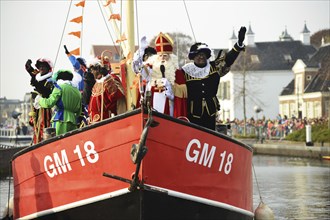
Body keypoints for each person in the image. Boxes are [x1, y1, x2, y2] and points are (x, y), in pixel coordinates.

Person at [174, 27, 247, 130]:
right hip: (193, 112)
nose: (201, 57)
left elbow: (228, 60)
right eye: (198, 55)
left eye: (203, 55)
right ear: (193, 57)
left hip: (211, 111)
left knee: (210, 134)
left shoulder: (214, 67)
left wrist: (238, 45)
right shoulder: (185, 72)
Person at [132, 33, 179, 116]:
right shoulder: (151, 69)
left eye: (165, 55)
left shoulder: (177, 72)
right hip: (153, 103)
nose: (163, 58)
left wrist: (170, 92)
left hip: (170, 106)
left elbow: (180, 99)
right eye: (160, 55)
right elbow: (137, 67)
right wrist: (141, 50)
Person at [35, 70, 82, 136]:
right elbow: (79, 111)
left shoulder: (59, 87)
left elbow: (49, 103)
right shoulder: (77, 91)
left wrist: (39, 100)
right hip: (73, 121)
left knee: (59, 142)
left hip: (60, 119)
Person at [25, 58, 54, 143]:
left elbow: (45, 91)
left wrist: (36, 88)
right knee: (36, 125)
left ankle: (42, 142)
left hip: (45, 107)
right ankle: (36, 141)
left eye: (43, 67)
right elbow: (32, 72)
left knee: (44, 126)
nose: (41, 68)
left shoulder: (50, 80)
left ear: (48, 68)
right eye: (40, 67)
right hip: (37, 107)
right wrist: (28, 67)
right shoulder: (38, 76)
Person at [88, 59, 126, 123]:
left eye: (93, 69)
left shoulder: (112, 78)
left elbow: (117, 95)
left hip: (105, 119)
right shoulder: (97, 83)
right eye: (91, 70)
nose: (92, 72)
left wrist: (107, 77)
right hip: (94, 120)